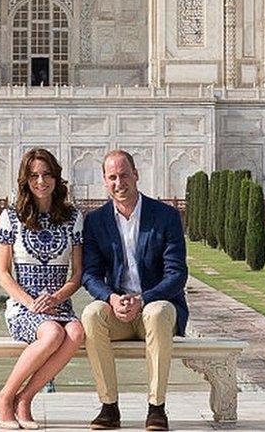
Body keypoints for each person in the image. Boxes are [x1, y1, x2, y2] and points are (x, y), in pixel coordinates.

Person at [81, 151, 188, 431]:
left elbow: (177, 274)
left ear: (136, 174)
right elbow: (89, 274)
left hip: (154, 309)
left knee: (158, 311)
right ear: (105, 181)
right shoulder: (95, 221)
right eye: (112, 177)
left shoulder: (164, 216)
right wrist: (112, 298)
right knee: (91, 314)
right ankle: (109, 406)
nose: (119, 183)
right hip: (119, 311)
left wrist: (143, 299)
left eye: (124, 175)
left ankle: (156, 407)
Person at [0, 148, 86, 429]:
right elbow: (2, 274)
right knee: (52, 333)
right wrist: (30, 302)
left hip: (59, 305)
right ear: (26, 180)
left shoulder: (72, 218)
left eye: (47, 174)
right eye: (34, 175)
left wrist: (57, 297)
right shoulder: (11, 217)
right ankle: (5, 397)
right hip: (23, 308)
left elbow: (78, 273)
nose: (41, 181)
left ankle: (25, 399)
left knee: (76, 332)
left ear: (56, 178)